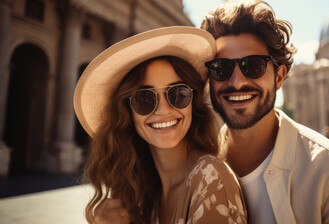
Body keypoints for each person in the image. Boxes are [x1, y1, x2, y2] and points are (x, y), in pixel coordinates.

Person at [200, 0, 329, 223]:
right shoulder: (194, 168)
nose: (237, 82)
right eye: (221, 68)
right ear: (209, 80)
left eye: (253, 66)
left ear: (279, 77)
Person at [74, 27, 247, 224]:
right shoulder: (145, 191)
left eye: (178, 94)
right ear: (127, 112)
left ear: (193, 102)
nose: (163, 110)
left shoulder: (212, 180)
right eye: (144, 98)